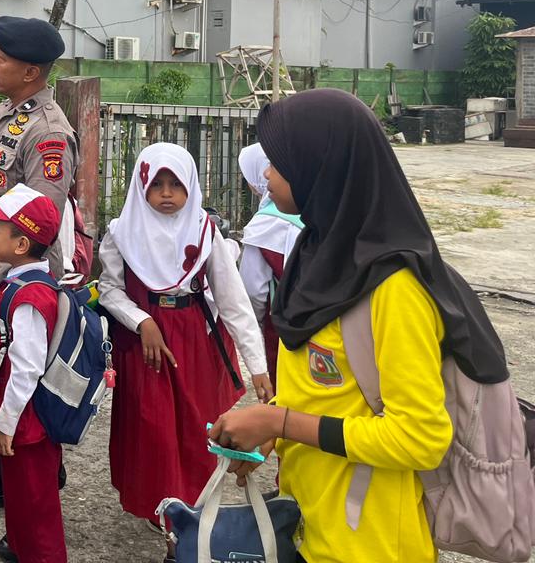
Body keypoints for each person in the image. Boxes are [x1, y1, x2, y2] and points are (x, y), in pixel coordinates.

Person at [210, 89, 508, 563]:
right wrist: (275, 432)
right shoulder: (317, 251)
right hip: (313, 522)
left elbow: (420, 438)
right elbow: (329, 391)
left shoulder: (392, 287)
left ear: (323, 167)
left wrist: (280, 419)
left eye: (280, 161)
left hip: (371, 542)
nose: (266, 173)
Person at [98, 142, 269, 557]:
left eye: (176, 183)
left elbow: (232, 301)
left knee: (196, 432)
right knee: (153, 432)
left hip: (195, 344)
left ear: (192, 184)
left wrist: (258, 365)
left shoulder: (204, 232)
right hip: (146, 350)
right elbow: (109, 289)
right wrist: (143, 321)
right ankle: (170, 515)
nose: (168, 193)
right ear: (142, 186)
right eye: (157, 183)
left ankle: (188, 512)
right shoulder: (122, 232)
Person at [0, 15, 77, 511]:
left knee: (7, 376)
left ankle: (10, 474)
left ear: (31, 71)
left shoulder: (47, 134)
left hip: (12, 283)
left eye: (1, 57)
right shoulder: (11, 111)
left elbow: (35, 224)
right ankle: (29, 468)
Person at [0, 184, 67, 563]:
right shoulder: (24, 283)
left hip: (26, 423)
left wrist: (7, 423)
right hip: (26, 420)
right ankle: (23, 548)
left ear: (22, 244)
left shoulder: (29, 296)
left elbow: (26, 366)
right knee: (23, 501)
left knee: (35, 506)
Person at [236, 142, 302, 378]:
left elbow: (252, 290)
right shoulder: (315, 209)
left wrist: (256, 330)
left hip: (281, 327)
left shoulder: (264, 225)